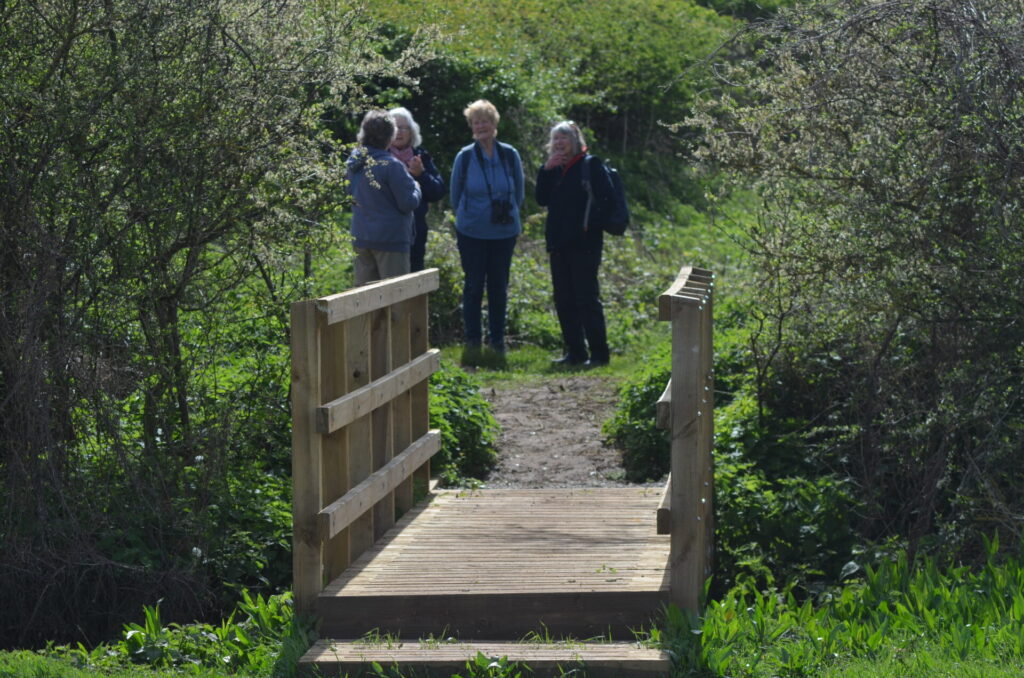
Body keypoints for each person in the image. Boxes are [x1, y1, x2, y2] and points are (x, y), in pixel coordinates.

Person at [450, 99, 524, 362]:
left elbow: (519, 193)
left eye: (485, 121)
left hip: (504, 232)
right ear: (471, 126)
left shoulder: (509, 154)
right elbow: (455, 196)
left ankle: (497, 341)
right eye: (476, 122)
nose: (481, 126)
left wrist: (506, 214)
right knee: (473, 287)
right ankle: (472, 341)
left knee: (498, 287)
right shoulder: (465, 156)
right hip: (472, 232)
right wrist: (471, 217)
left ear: (494, 124)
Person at [535, 121, 611, 367]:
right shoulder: (552, 169)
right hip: (558, 244)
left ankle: (599, 354)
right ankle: (575, 352)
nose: (559, 143)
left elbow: (606, 200)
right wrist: (545, 170)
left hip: (585, 245)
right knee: (564, 300)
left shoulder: (591, 165)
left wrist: (589, 226)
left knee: (586, 299)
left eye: (564, 138)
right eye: (555, 139)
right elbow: (541, 199)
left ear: (575, 141)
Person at [347, 110, 421, 285]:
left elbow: (349, 193)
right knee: (396, 295)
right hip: (390, 240)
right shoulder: (392, 165)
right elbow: (407, 203)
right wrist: (416, 187)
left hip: (361, 237)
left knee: (366, 297)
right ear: (390, 136)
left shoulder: (353, 162)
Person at [387, 107, 445, 272]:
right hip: (386, 234)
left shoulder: (421, 156)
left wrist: (421, 175)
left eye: (403, 128)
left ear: (411, 132)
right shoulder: (378, 157)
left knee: (414, 279)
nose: (398, 132)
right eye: (394, 127)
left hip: (415, 234)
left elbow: (438, 192)